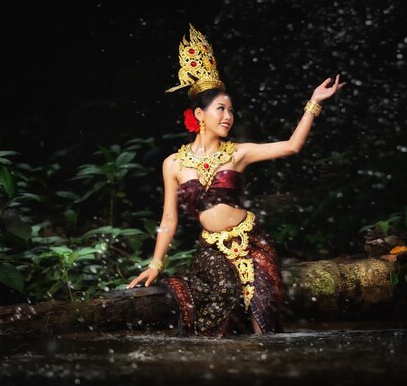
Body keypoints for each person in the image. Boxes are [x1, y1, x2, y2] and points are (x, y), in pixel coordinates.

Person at [127, 24, 344, 336]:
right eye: (221, 109)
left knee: (264, 325)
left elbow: (291, 146)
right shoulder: (173, 163)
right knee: (220, 310)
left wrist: (314, 103)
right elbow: (169, 219)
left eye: (231, 110)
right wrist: (154, 264)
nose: (228, 116)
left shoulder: (239, 153)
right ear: (199, 115)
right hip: (211, 250)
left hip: (253, 243)